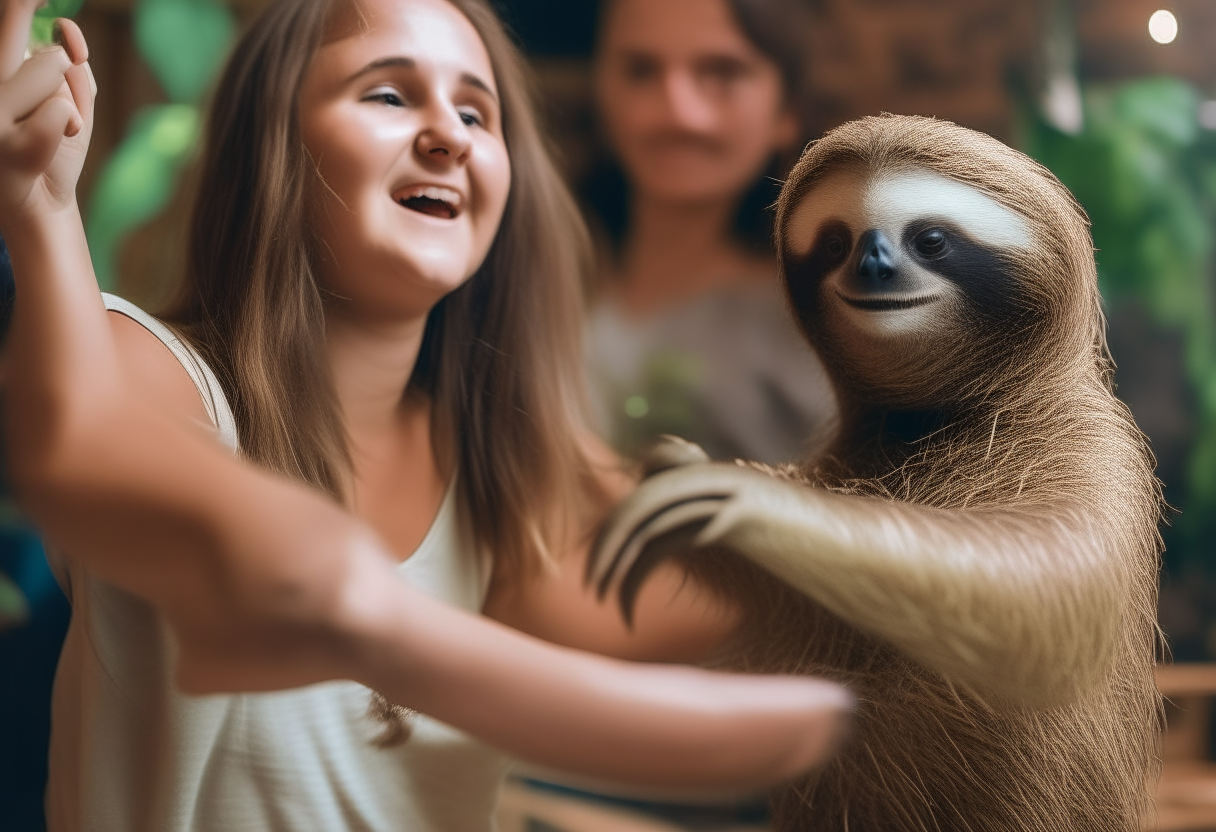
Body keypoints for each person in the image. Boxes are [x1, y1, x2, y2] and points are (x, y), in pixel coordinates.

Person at [0, 0, 852, 830]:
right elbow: (79, 437)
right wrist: (42, 213)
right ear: (276, 144)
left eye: (477, 114)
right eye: (387, 93)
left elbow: (776, 584)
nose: (449, 135)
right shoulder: (158, 369)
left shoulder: (503, 472)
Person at [584, 0, 836, 465]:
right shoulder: (517, 267)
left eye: (723, 73)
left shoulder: (828, 323)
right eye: (641, 71)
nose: (678, 113)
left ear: (788, 112)